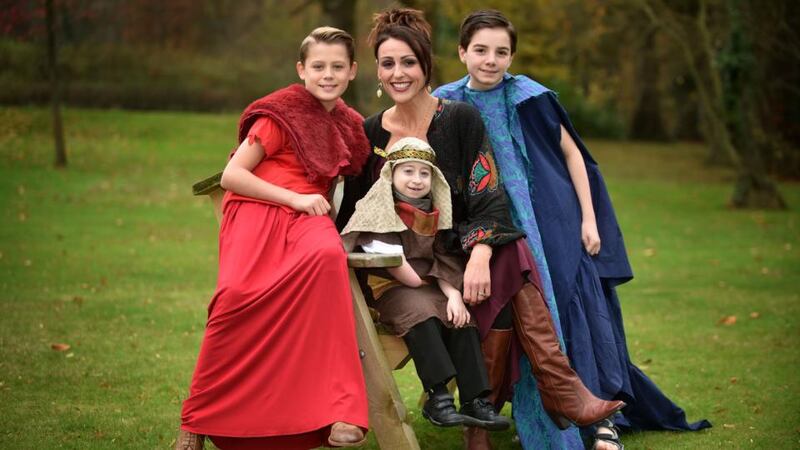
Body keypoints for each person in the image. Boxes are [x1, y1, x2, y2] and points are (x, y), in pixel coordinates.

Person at [337, 8, 624, 450]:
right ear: (377, 69)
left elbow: (488, 195)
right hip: (403, 266)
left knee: (510, 256)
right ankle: (552, 392)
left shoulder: (459, 119)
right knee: (515, 269)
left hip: (463, 249)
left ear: (426, 65)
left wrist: (480, 255)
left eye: (408, 62)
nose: (399, 73)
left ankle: (506, 411)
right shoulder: (370, 132)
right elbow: (355, 216)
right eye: (388, 63)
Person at [434, 9, 713, 450]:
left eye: (502, 52)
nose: (491, 60)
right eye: (481, 50)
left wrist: (588, 218)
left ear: (512, 56)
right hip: (483, 227)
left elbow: (574, 156)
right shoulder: (445, 102)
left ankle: (589, 418)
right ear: (462, 52)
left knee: (561, 311)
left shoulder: (529, 96)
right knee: (502, 315)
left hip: (548, 222)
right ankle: (486, 416)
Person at [175, 27, 371, 450]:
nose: (328, 75)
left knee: (326, 258)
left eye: (338, 67)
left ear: (353, 71)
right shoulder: (279, 114)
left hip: (309, 221)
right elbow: (232, 176)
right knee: (234, 294)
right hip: (258, 211)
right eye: (318, 66)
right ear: (301, 69)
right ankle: (196, 419)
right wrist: (293, 199)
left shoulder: (350, 125)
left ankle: (340, 412)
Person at [341, 137, 511, 432]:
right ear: (391, 174)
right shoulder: (378, 207)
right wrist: (421, 282)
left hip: (427, 286)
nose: (416, 180)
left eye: (424, 173)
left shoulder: (434, 212)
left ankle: (475, 399)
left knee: (460, 318)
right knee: (421, 309)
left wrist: (454, 295)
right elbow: (384, 252)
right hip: (389, 288)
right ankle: (439, 397)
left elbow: (443, 257)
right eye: (407, 171)